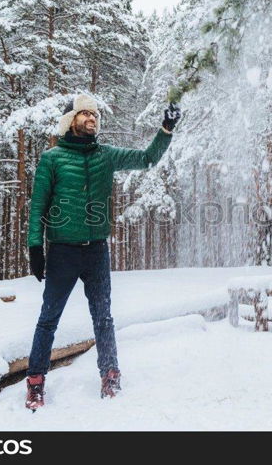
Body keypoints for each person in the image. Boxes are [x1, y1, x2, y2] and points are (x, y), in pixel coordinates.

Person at [24, 94, 180, 410]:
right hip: (62, 252)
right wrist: (35, 248)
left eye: (94, 115)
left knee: (103, 318)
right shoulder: (52, 159)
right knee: (48, 319)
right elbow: (38, 204)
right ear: (71, 121)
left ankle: (110, 375)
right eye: (85, 114)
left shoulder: (105, 155)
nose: (92, 119)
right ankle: (36, 382)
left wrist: (166, 128)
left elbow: (148, 158)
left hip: (96, 251)